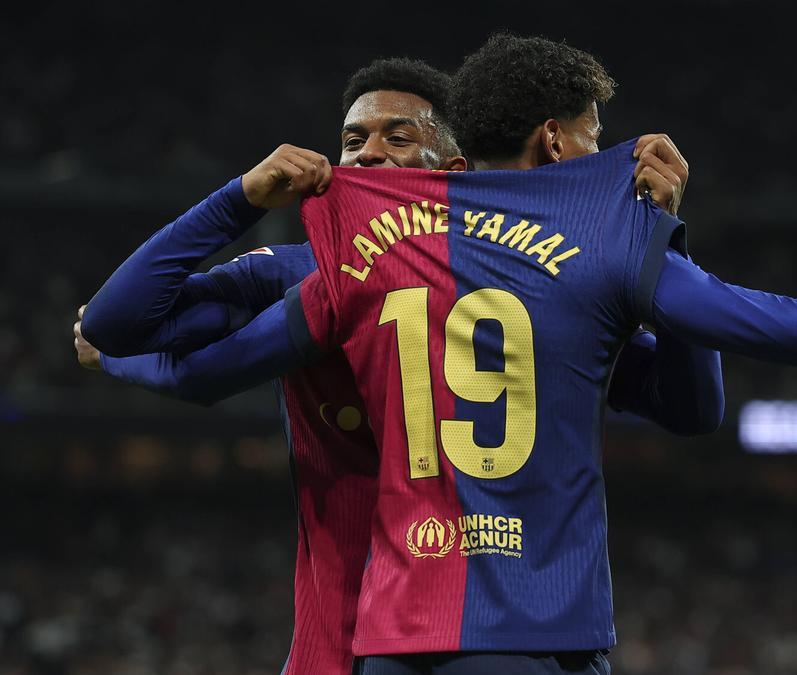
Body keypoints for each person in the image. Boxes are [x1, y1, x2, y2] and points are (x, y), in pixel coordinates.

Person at [83, 34, 797, 674]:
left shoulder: (350, 260)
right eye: (593, 133)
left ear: (454, 149)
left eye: (397, 141)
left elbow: (188, 365)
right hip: (518, 627)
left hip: (382, 636)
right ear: (557, 139)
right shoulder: (590, 239)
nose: (368, 159)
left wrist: (119, 337)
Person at [75, 56, 721, 675]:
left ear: (455, 169)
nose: (369, 154)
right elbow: (129, 327)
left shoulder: (527, 292)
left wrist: (670, 238)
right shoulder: (301, 273)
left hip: (469, 634)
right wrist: (240, 198)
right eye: (352, 140)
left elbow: (690, 406)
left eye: (397, 136)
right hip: (342, 647)